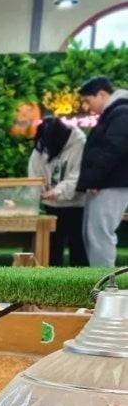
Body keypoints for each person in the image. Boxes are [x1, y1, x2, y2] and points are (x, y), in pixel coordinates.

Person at [76, 76, 128, 268]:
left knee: (100, 236)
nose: (88, 107)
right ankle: (100, 285)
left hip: (111, 184)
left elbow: (113, 149)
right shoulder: (115, 113)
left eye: (88, 101)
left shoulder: (122, 112)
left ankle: (105, 288)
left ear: (102, 94)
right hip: (106, 182)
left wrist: (95, 179)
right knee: (94, 236)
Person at [27, 116, 87, 267]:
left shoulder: (79, 142)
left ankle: (80, 282)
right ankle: (53, 282)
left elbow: (78, 175)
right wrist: (37, 191)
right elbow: (34, 172)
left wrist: (57, 191)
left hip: (76, 204)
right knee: (52, 246)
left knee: (78, 246)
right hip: (51, 205)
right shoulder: (42, 142)